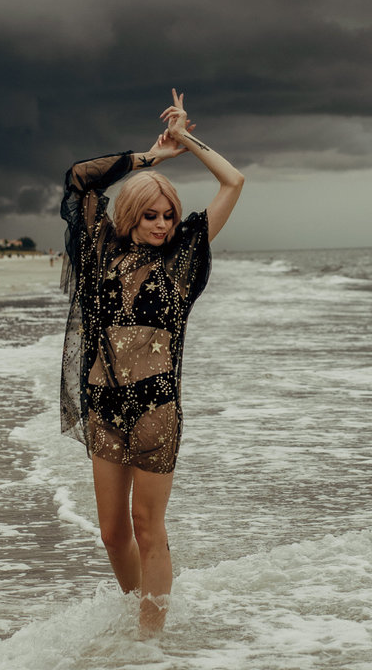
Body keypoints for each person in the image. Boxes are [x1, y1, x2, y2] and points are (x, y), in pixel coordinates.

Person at [60, 89, 244, 634]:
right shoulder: (99, 252)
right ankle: (147, 607)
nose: (163, 224)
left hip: (156, 409)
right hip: (104, 405)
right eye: (152, 215)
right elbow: (78, 177)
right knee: (112, 534)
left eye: (168, 215)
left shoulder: (184, 256)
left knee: (149, 528)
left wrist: (187, 140)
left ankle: (150, 641)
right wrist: (155, 156)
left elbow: (233, 181)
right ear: (132, 213)